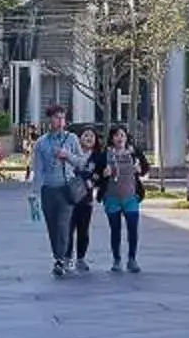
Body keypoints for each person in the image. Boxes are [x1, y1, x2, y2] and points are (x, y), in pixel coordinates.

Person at [27, 105, 85, 277]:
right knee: (52, 226)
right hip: (48, 190)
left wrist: (67, 155)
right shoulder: (41, 143)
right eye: (56, 117)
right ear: (49, 120)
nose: (60, 121)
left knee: (63, 224)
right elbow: (38, 171)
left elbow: (81, 162)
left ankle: (61, 259)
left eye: (62, 118)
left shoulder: (71, 139)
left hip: (66, 188)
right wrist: (34, 193)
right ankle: (59, 255)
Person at [97, 126, 146, 273]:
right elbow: (97, 174)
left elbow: (145, 168)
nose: (120, 138)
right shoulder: (105, 155)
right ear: (112, 138)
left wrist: (140, 169)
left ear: (126, 137)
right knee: (115, 230)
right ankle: (117, 259)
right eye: (117, 135)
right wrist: (103, 174)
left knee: (132, 229)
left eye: (122, 135)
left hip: (131, 197)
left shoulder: (133, 153)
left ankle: (132, 259)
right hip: (112, 197)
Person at [66, 126, 101, 269]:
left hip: (86, 199)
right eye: (86, 135)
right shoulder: (72, 154)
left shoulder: (97, 157)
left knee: (83, 230)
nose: (89, 138)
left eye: (91, 136)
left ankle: (81, 258)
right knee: (68, 229)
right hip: (70, 198)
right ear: (79, 139)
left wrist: (94, 179)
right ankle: (67, 258)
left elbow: (100, 176)